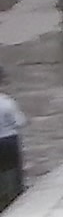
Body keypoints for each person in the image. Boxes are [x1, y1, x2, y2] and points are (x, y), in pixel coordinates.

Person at [0, 71, 25, 207]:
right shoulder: (6, 102)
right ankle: (14, 203)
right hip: (8, 141)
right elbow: (19, 122)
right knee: (13, 173)